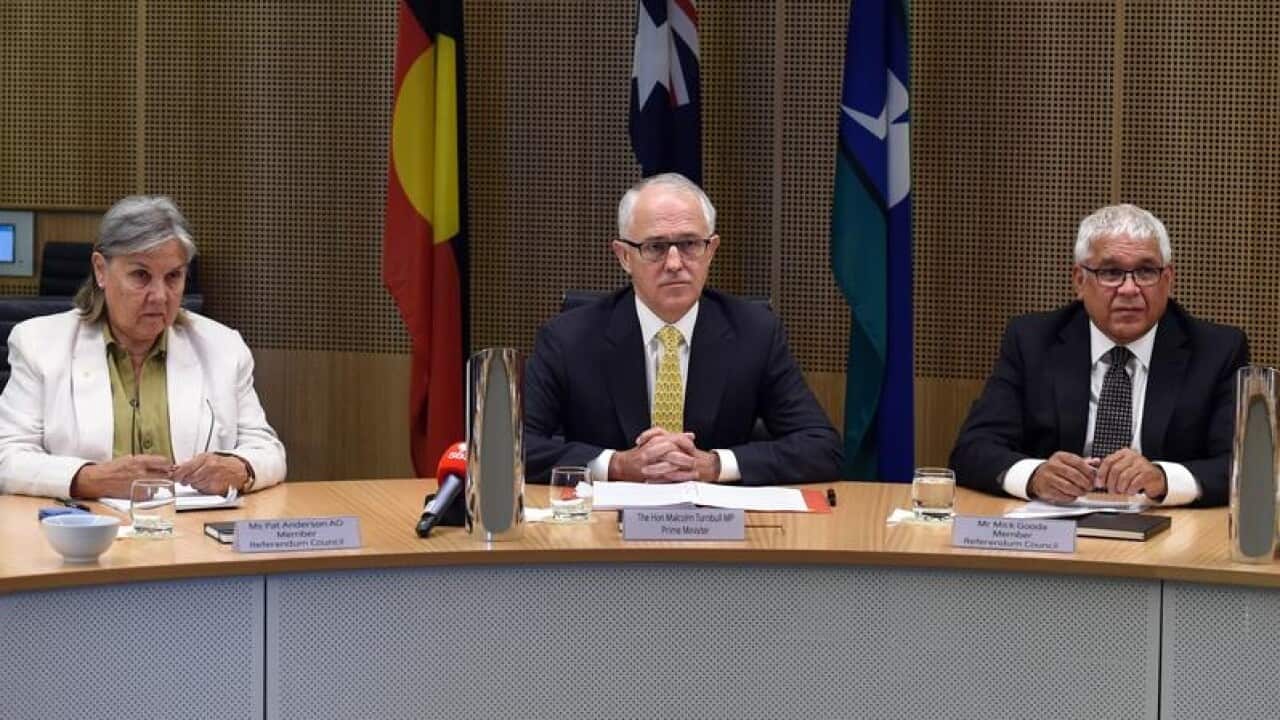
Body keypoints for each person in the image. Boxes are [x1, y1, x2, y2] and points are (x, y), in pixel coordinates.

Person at [524, 173, 842, 485]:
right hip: (603, 517)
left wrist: (715, 465)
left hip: (717, 516)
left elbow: (822, 447)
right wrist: (616, 465)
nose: (675, 263)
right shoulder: (568, 339)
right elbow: (515, 445)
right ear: (624, 256)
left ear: (711, 249)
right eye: (655, 247)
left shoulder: (755, 333)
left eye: (689, 244)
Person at [950, 203, 1248, 507]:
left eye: (1146, 271)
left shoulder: (1216, 351)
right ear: (1079, 281)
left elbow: (1242, 467)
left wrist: (1163, 478)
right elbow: (972, 449)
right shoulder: (1032, 341)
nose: (1129, 289)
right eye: (1111, 272)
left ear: (1168, 280)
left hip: (1170, 526)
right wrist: (1035, 476)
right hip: (1056, 525)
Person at [0, 195, 286, 499]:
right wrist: (91, 479)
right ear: (100, 270)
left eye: (173, 276)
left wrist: (240, 468)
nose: (160, 296)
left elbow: (267, 450)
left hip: (191, 526)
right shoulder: (39, 344)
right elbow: (7, 457)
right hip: (87, 524)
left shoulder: (223, 348)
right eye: (141, 275)